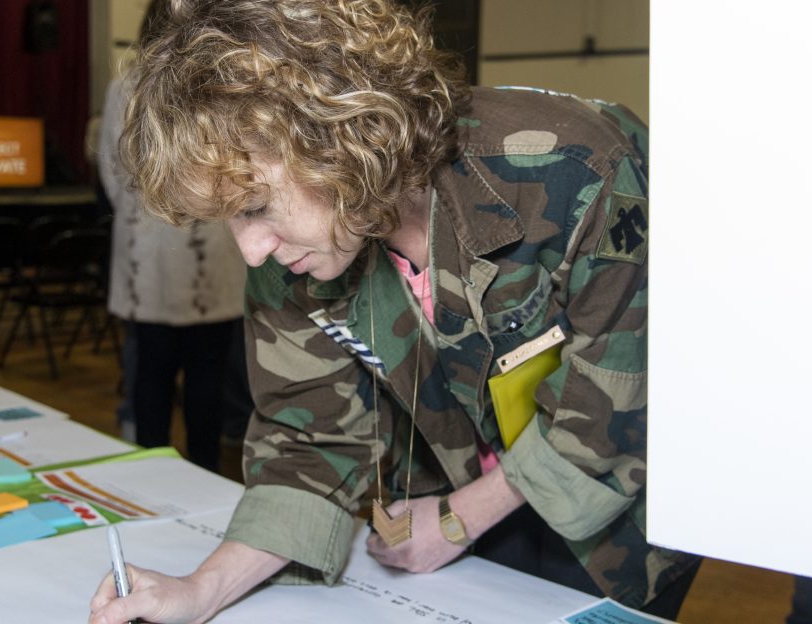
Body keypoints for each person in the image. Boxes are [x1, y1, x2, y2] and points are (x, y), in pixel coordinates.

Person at [89, 1, 699, 623]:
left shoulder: (574, 172)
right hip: (455, 516)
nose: (250, 251)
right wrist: (200, 593)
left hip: (614, 524)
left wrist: (461, 519)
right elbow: (308, 442)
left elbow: (610, 409)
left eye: (255, 207)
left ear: (335, 139)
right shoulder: (300, 248)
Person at [99, 0, 250, 472]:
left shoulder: (224, 81)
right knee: (185, 376)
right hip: (175, 258)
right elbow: (114, 166)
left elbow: (111, 170)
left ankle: (161, 472)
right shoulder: (137, 86)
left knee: (165, 377)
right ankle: (189, 471)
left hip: (181, 256)